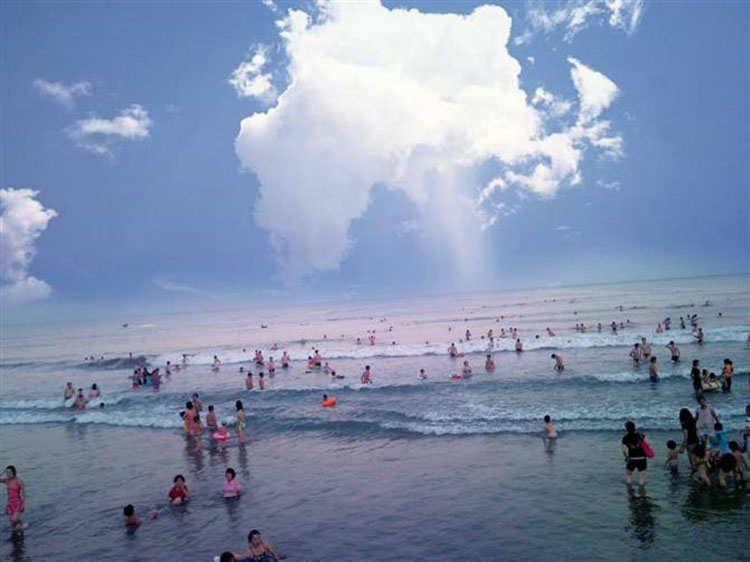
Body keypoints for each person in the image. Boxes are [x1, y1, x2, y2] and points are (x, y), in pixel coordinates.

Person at [621, 421, 647, 487]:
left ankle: (629, 489)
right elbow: (646, 444)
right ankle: (641, 489)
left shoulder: (625, 438)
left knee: (628, 474)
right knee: (642, 476)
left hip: (632, 458)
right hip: (642, 457)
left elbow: (624, 450)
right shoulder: (640, 435)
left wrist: (626, 457)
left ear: (626, 428)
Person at [1, 466, 25, 532]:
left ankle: (20, 524)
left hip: (17, 503)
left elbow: (23, 493)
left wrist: (23, 504)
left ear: (13, 472)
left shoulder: (19, 481)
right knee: (12, 524)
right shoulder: (7, 480)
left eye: (9, 472)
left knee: (14, 519)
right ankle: (17, 533)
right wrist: (3, 472)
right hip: (10, 503)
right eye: (7, 472)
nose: (8, 474)